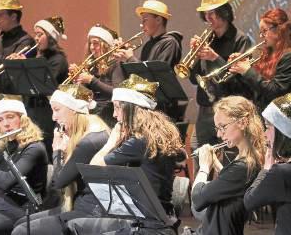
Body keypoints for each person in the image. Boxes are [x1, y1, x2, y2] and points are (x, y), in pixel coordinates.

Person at [66, 74, 185, 235]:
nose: (114, 115)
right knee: (75, 225)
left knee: (73, 227)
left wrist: (112, 141)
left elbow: (94, 168)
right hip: (157, 219)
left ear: (131, 108)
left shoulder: (139, 140)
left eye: (117, 107)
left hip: (146, 225)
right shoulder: (158, 133)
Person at [11, 84, 109, 235]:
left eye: (57, 110)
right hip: (81, 204)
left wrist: (57, 151)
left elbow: (59, 183)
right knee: (21, 222)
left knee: (22, 230)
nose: (53, 117)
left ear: (74, 110)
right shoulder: (95, 130)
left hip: (90, 212)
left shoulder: (89, 142)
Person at [186, 96, 266, 235]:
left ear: (242, 122)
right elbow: (231, 184)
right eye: (217, 128)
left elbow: (198, 200)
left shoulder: (244, 165)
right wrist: (215, 162)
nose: (219, 134)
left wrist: (204, 166)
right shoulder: (248, 158)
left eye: (223, 127)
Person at [189, 0, 253, 152]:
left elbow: (240, 81)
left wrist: (215, 58)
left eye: (212, 13)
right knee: (199, 155)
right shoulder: (207, 39)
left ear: (224, 12)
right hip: (205, 110)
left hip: (229, 111)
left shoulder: (240, 40)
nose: (207, 18)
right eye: (205, 14)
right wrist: (195, 55)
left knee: (230, 159)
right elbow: (192, 78)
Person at [114, 0, 183, 121]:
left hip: (163, 108)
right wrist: (124, 59)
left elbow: (155, 77)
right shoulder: (148, 45)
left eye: (145, 19)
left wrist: (130, 58)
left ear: (158, 20)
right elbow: (138, 78)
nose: (141, 24)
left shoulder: (170, 43)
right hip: (149, 106)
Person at [13, 16, 69, 161]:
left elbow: (45, 87)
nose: (36, 38)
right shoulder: (36, 58)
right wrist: (16, 68)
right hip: (32, 111)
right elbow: (24, 87)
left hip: (47, 115)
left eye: (40, 34)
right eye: (35, 34)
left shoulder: (58, 59)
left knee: (45, 153)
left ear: (50, 37)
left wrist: (26, 66)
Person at [0, 99, 48, 234]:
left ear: (23, 119)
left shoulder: (34, 147)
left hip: (26, 206)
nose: (6, 124)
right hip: (5, 200)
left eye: (10, 117)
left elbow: (7, 181)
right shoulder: (0, 145)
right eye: (0, 120)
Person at [0, 0, 36, 139]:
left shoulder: (26, 41)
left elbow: (11, 69)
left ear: (13, 16)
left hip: (11, 101)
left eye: (0, 14)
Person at [244, 93, 291, 235]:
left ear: (283, 132)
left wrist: (266, 167)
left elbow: (250, 200)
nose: (265, 134)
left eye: (268, 127)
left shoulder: (281, 173)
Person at [229, 8, 291, 111]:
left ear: (278, 29)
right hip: (263, 114)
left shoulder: (288, 57)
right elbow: (258, 87)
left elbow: (276, 92)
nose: (261, 36)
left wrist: (248, 71)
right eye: (260, 32)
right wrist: (242, 67)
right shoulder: (267, 54)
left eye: (264, 31)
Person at [69, 24, 125, 127]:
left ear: (106, 45)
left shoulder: (115, 64)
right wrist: (79, 81)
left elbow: (118, 93)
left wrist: (92, 80)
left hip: (110, 116)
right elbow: (87, 96)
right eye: (90, 43)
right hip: (94, 115)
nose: (91, 47)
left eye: (95, 43)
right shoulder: (92, 66)